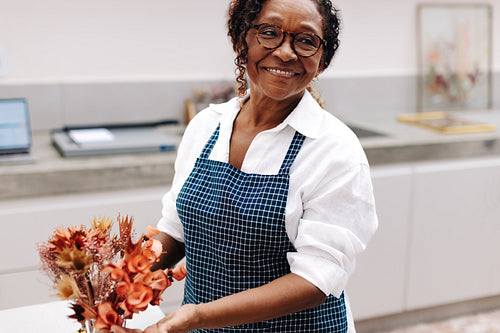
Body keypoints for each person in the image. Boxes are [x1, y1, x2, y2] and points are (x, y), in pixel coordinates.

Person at [107, 0, 378, 331]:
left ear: (322, 61)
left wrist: (196, 315)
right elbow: (176, 229)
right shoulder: (206, 126)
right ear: (241, 41)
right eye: (269, 33)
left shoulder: (334, 149)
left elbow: (315, 279)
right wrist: (120, 281)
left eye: (306, 40)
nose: (286, 52)